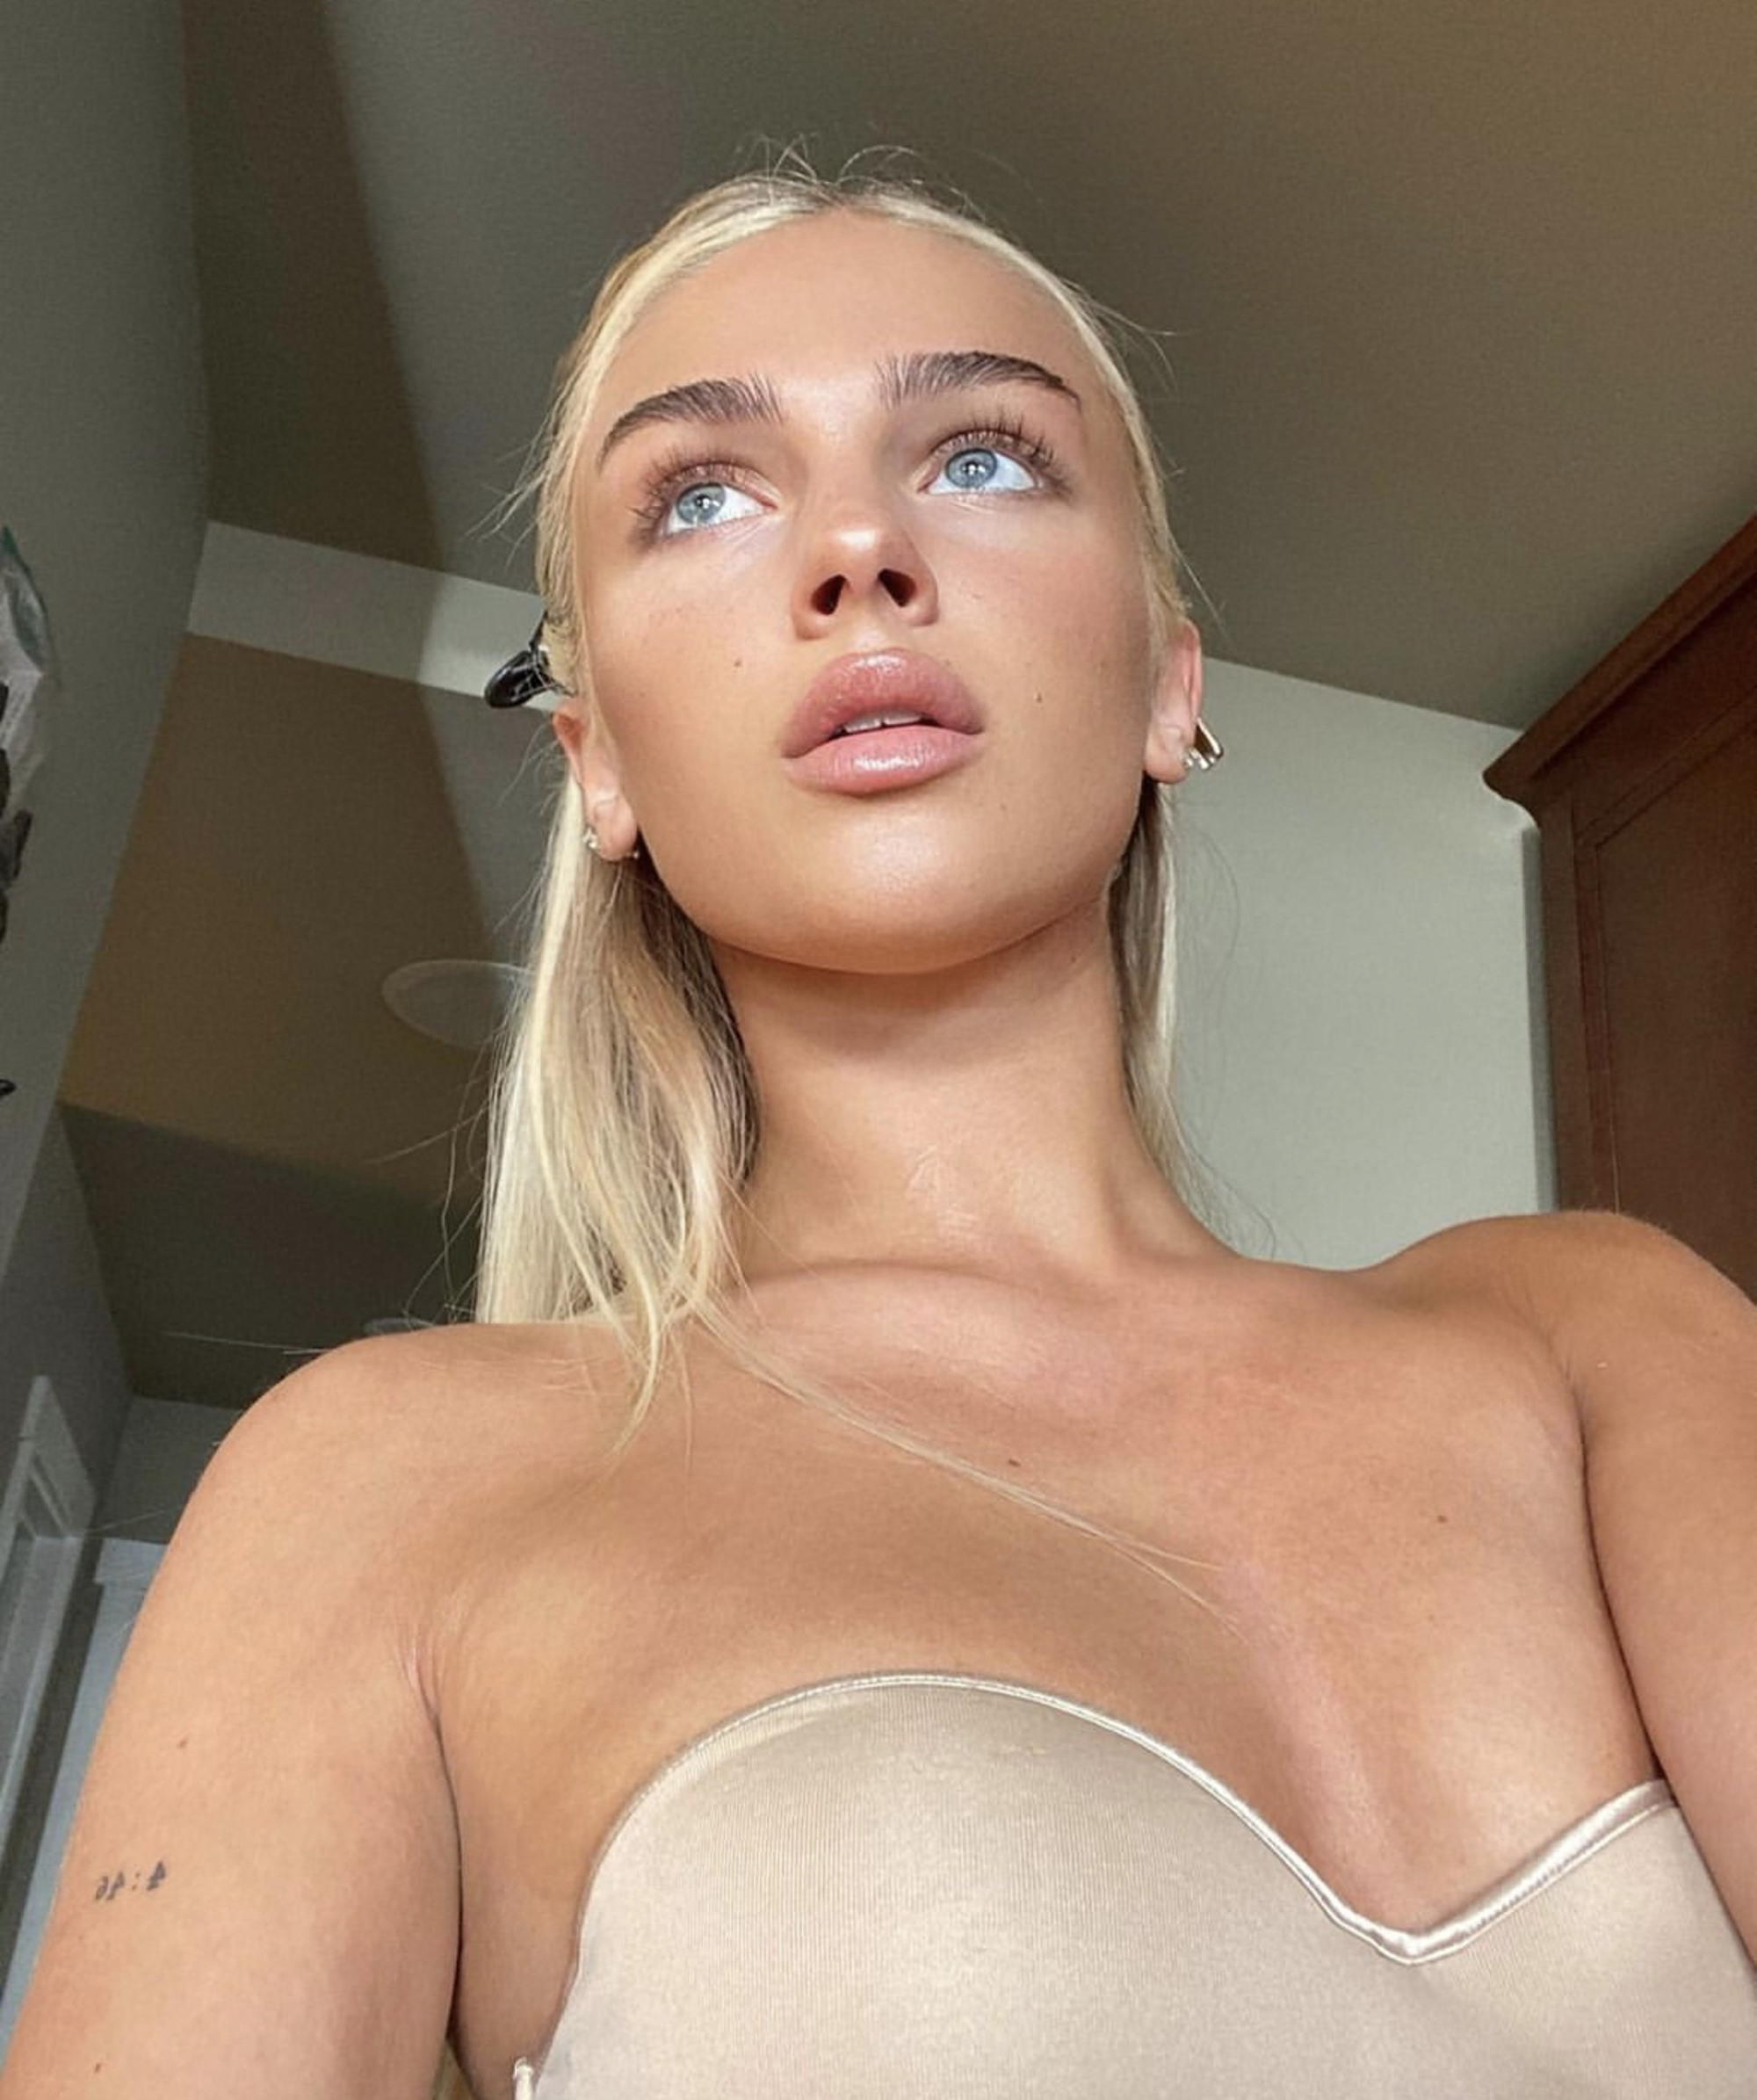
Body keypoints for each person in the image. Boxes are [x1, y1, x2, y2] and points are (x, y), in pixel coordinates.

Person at [6, 156, 1756, 2100]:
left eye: (984, 458)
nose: (858, 548)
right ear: (599, 764)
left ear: (1167, 678)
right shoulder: (381, 1484)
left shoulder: (1586, 1331)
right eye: (702, 494)